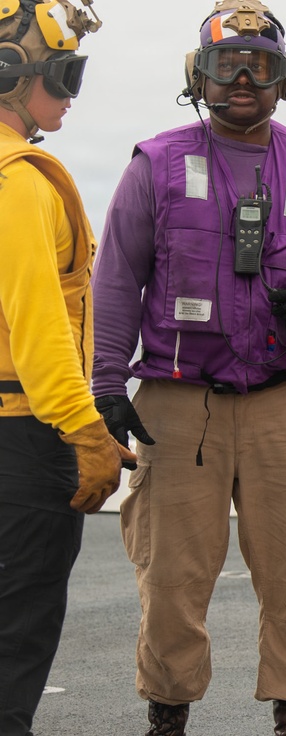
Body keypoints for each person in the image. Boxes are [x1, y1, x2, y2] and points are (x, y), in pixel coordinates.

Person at [89, 2, 286, 734]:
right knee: (171, 575)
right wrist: (103, 383)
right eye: (227, 65)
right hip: (179, 400)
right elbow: (116, 279)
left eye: (262, 66)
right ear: (199, 76)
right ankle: (167, 713)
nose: (245, 80)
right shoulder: (154, 165)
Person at [0, 2, 132, 735]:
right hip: (20, 442)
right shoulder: (18, 181)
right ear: (17, 76)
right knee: (14, 635)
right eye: (67, 72)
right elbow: (39, 323)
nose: (74, 91)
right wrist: (83, 428)